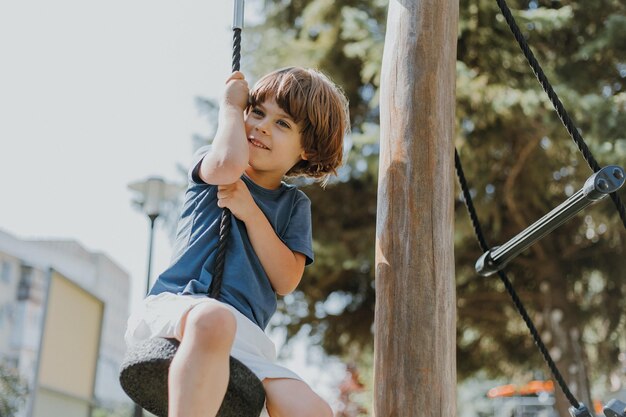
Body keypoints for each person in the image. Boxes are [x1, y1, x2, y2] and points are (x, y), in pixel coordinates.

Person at [125, 67, 350, 417]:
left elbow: (286, 279)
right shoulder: (212, 161)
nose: (261, 126)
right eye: (257, 112)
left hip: (243, 338)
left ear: (307, 149)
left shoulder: (294, 206)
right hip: (181, 307)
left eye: (282, 124)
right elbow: (228, 165)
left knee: (315, 410)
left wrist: (251, 212)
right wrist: (230, 107)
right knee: (215, 319)